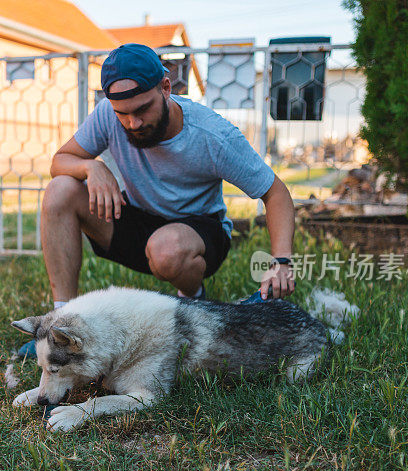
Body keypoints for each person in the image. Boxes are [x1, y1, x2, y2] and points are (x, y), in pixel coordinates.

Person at [17, 43, 295, 357]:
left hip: (197, 233)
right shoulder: (108, 115)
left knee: (167, 248)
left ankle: (193, 297)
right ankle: (60, 324)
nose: (133, 123)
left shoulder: (212, 135)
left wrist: (281, 262)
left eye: (142, 109)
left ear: (165, 87)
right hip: (138, 220)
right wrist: (91, 166)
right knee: (60, 189)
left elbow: (276, 193)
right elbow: (60, 160)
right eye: (123, 114)